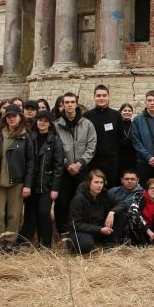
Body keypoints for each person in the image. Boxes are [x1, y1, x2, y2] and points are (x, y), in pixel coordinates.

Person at [0, 105, 34, 252]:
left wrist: (27, 184)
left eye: (14, 116)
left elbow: (30, 162)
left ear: (20, 117)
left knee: (14, 215)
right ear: (5, 118)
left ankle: (10, 243)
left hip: (17, 181)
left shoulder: (25, 136)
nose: (11, 118)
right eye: (9, 116)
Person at [55, 92, 98, 234]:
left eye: (72, 102)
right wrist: (67, 164)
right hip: (64, 169)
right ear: (62, 105)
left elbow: (91, 145)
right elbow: (57, 148)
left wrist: (79, 163)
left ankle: (79, 229)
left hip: (82, 169)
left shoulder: (87, 124)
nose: (69, 105)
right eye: (66, 102)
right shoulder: (56, 125)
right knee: (62, 202)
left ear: (76, 104)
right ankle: (62, 231)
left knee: (80, 200)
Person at [22, 109, 64, 248]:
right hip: (31, 182)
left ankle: (45, 243)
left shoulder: (55, 140)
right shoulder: (30, 137)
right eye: (40, 120)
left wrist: (55, 188)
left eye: (46, 121)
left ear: (50, 123)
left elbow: (58, 166)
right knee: (30, 213)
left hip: (46, 183)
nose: (42, 123)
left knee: (43, 212)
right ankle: (27, 242)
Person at [66, 170, 118, 254]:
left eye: (101, 182)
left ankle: (110, 244)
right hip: (83, 232)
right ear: (89, 183)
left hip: (100, 229)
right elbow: (76, 224)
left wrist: (112, 212)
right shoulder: (78, 199)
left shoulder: (104, 194)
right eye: (96, 182)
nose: (99, 185)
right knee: (86, 244)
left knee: (121, 215)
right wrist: (99, 229)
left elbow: (122, 204)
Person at [85, 85, 121, 186]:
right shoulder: (87, 116)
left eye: (104, 95)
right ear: (94, 97)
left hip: (112, 161)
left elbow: (120, 138)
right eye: (98, 95)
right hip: (94, 160)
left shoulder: (116, 115)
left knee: (111, 189)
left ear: (109, 97)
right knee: (94, 188)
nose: (101, 98)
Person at [106, 168, 142, 243]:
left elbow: (124, 205)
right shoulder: (114, 190)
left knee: (122, 214)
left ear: (137, 180)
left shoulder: (141, 193)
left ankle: (112, 242)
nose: (129, 181)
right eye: (127, 179)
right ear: (122, 180)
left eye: (132, 179)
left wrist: (112, 212)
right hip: (110, 218)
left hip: (128, 224)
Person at [115, 103, 137, 175]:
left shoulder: (135, 125)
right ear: (120, 112)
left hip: (132, 158)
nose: (127, 112)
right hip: (118, 158)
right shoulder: (116, 124)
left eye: (129, 111)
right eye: (125, 110)